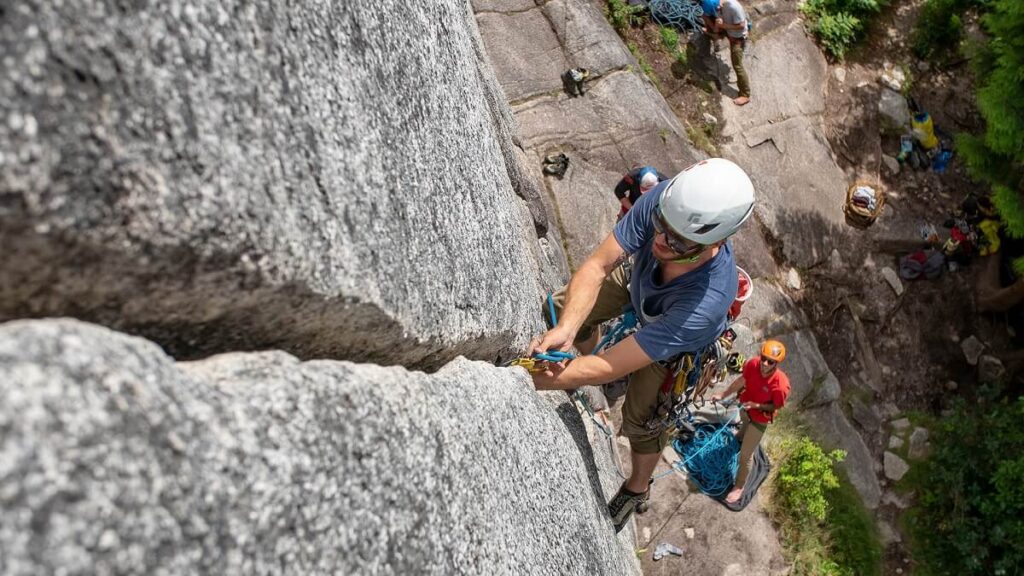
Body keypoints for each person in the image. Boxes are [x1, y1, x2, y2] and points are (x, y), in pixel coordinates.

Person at [527, 158, 755, 531]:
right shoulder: (668, 201)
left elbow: (610, 368)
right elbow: (598, 266)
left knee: (643, 420)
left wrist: (532, 378)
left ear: (716, 242)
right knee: (561, 308)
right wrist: (567, 328)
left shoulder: (706, 302)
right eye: (660, 225)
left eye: (678, 240)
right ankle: (584, 348)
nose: (661, 239)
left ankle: (636, 488)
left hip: (673, 344)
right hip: (640, 280)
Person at [710, 340, 791, 503]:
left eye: (770, 362)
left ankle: (739, 486)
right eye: (764, 358)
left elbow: (776, 406)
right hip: (745, 407)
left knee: (746, 455)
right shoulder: (752, 364)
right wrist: (723, 395)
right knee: (743, 425)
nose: (765, 363)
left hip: (760, 419)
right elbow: (741, 381)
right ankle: (740, 436)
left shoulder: (781, 385)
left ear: (776, 363)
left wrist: (757, 405)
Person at [701, 0, 752, 106]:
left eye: (717, 9)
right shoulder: (717, 6)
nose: (716, 11)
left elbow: (741, 25)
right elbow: (712, 18)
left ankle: (745, 95)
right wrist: (715, 29)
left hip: (738, 37)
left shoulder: (733, 6)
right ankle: (716, 36)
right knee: (706, 17)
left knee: (737, 66)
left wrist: (723, 26)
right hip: (728, 30)